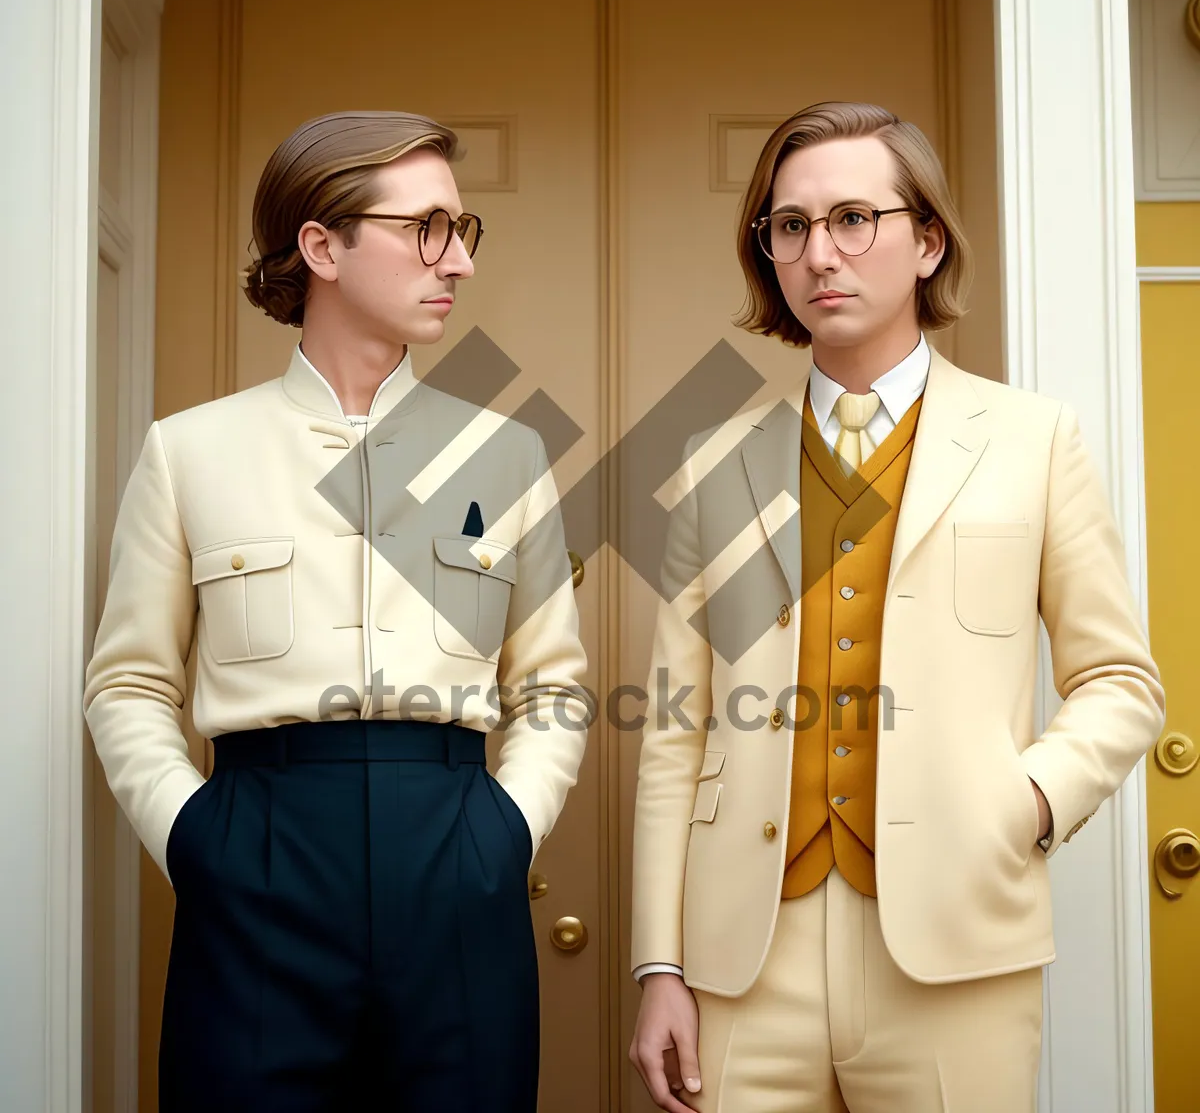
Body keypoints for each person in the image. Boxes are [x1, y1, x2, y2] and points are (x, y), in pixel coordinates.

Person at [627, 101, 1166, 1112]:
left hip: (959, 947)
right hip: (743, 961)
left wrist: (1027, 802)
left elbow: (1120, 682)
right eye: (790, 226)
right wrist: (659, 964)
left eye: (852, 219)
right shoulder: (715, 463)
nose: (820, 251)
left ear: (925, 240)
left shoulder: (1033, 439)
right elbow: (673, 733)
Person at [84, 110, 591, 1111]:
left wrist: (507, 830)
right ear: (321, 245)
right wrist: (198, 838)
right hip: (257, 857)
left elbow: (554, 683)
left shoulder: (507, 453)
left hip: (456, 853)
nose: (458, 261)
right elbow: (130, 681)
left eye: (462, 229)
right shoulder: (190, 453)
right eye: (425, 228)